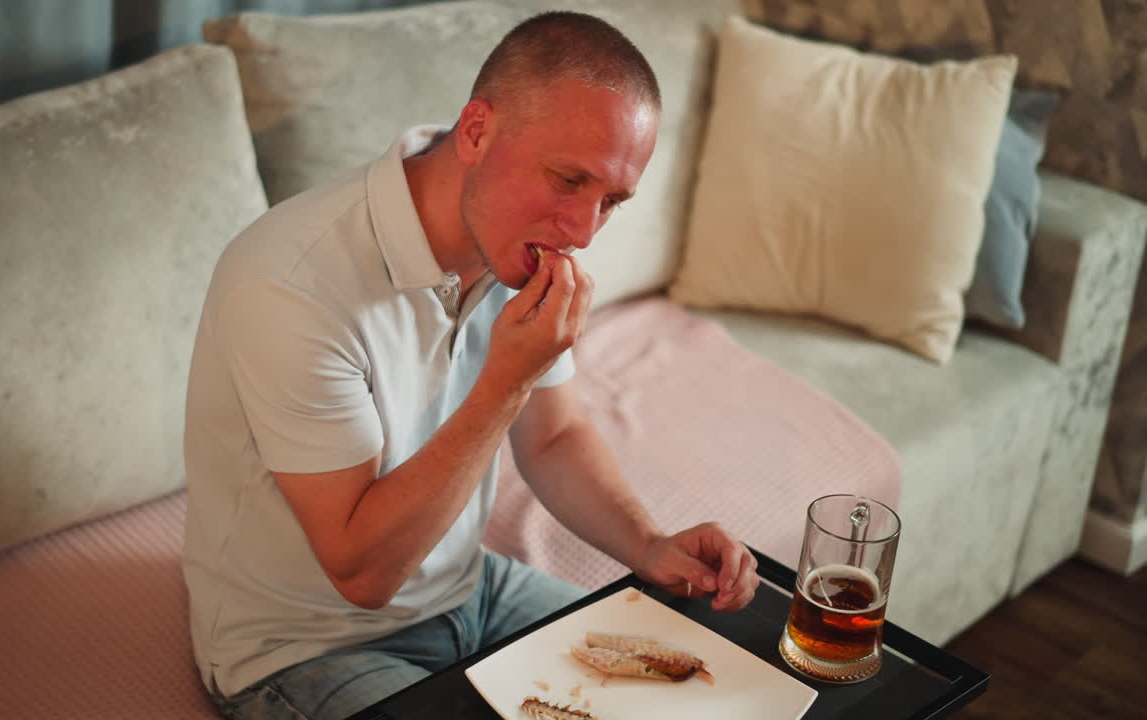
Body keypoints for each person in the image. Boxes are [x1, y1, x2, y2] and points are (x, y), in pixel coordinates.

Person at [181, 10, 759, 720]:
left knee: (708, 693)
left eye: (610, 200)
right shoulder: (288, 286)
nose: (582, 232)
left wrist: (648, 542)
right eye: (568, 179)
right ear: (478, 130)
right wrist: (507, 379)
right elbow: (362, 574)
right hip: (306, 646)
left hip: (469, 590)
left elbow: (552, 437)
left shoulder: (509, 247)